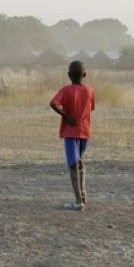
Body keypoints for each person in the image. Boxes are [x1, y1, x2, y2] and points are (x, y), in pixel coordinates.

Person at [50, 60, 96, 211]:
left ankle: (78, 202)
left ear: (69, 75)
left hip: (71, 132)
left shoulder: (65, 90)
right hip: (84, 132)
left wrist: (67, 116)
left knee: (73, 164)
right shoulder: (90, 91)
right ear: (85, 74)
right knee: (80, 162)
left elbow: (53, 103)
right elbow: (91, 108)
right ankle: (83, 196)